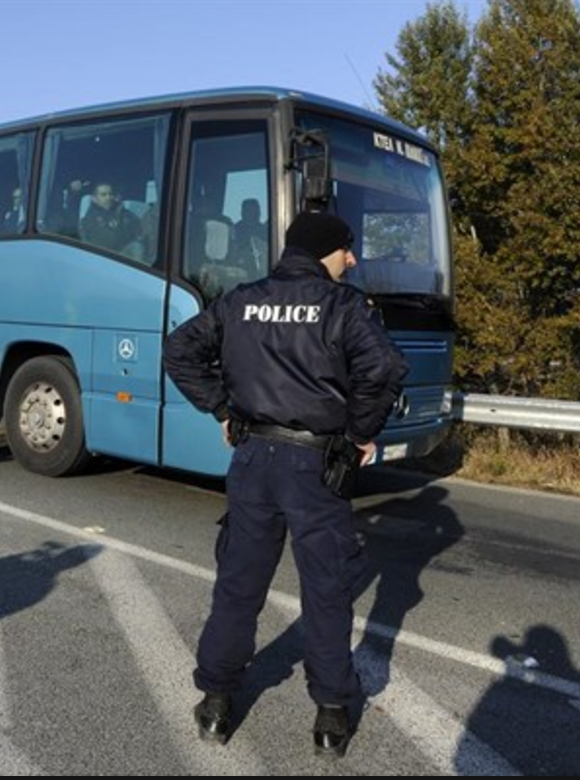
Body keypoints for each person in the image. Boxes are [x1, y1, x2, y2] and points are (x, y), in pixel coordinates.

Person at [162, 212, 407, 757]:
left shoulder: (242, 299)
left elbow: (180, 351)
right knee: (327, 590)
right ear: (327, 251)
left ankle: (217, 703)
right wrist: (360, 434)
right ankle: (330, 714)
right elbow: (385, 369)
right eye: (348, 250)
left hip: (252, 459)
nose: (353, 260)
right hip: (315, 467)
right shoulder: (343, 306)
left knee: (238, 584)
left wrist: (224, 408)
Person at [80, 182, 141, 255]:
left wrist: (120, 209)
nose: (108, 197)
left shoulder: (123, 213)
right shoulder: (89, 220)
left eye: (110, 194)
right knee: (136, 247)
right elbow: (110, 241)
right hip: (105, 258)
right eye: (103, 195)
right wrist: (119, 217)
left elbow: (139, 228)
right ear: (94, 198)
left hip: (125, 255)